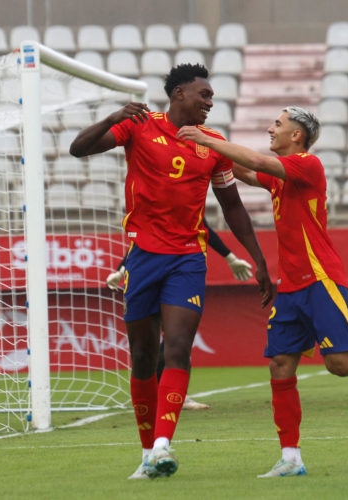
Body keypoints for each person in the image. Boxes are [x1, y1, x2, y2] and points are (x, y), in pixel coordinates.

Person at [177, 106, 348, 478]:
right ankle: (291, 458)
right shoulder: (280, 177)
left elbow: (255, 161)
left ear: (296, 135)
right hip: (290, 287)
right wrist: (207, 149)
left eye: (278, 125)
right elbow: (243, 170)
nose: (271, 129)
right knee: (280, 365)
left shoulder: (308, 165)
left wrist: (204, 138)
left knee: (342, 366)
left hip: (321, 280)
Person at [70, 63, 273, 480]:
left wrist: (257, 258)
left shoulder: (213, 144)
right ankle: (148, 452)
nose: (210, 103)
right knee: (143, 356)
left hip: (187, 258)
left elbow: (231, 206)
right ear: (179, 93)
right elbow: (79, 149)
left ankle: (164, 443)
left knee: (177, 347)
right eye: (204, 95)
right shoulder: (139, 127)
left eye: (212, 97)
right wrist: (112, 117)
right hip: (143, 255)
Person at [106, 217, 253, 411]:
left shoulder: (188, 202)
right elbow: (141, 242)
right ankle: (155, 394)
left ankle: (175, 395)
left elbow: (205, 229)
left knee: (177, 339)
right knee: (154, 343)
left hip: (180, 276)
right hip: (150, 276)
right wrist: (121, 270)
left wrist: (230, 258)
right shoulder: (153, 207)